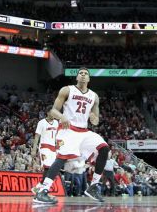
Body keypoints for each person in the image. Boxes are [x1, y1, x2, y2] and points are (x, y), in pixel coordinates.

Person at [33, 68, 109, 204]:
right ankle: (42, 191)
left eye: (86, 74)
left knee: (104, 148)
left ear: (89, 79)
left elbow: (96, 120)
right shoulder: (67, 90)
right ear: (77, 77)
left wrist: (93, 118)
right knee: (62, 158)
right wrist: (62, 117)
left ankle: (93, 186)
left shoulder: (94, 96)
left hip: (83, 131)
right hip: (68, 129)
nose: (84, 75)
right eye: (81, 73)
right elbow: (53, 110)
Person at [30, 110, 59, 195]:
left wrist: (59, 147)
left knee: (53, 169)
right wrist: (34, 149)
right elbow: (37, 136)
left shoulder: (56, 122)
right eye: (52, 113)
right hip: (44, 147)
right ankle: (42, 189)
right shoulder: (41, 122)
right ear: (48, 113)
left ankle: (38, 187)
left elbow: (57, 136)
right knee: (47, 167)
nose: (54, 115)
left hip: (53, 148)